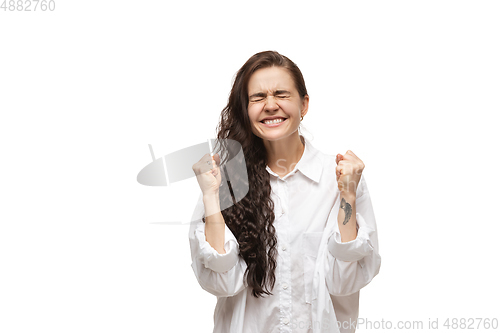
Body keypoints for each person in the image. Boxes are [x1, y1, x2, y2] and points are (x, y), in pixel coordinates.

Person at [189, 50, 381, 333]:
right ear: (246, 109)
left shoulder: (340, 178)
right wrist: (210, 197)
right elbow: (220, 283)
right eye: (257, 98)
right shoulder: (226, 181)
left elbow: (346, 282)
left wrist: (348, 195)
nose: (270, 105)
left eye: (281, 94)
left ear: (304, 104)